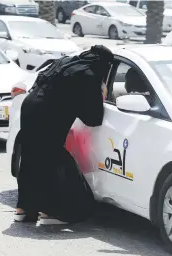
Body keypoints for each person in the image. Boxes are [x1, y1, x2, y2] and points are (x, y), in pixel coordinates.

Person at [14, 45, 114, 225]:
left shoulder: (67, 62)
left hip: (30, 106)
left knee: (30, 157)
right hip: (48, 114)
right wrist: (101, 93)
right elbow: (93, 118)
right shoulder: (89, 76)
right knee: (50, 159)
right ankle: (49, 212)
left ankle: (23, 210)